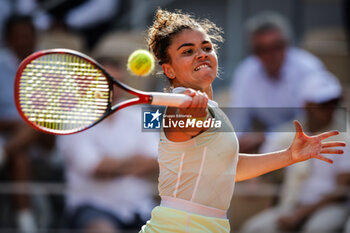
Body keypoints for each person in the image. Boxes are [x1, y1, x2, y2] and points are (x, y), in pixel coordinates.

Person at [139, 9, 345, 233]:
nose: (201, 54)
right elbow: (185, 121)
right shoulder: (180, 108)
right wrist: (193, 113)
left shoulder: (212, 110)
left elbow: (229, 167)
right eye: (188, 51)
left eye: (206, 48)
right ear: (169, 69)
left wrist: (288, 156)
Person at [239, 70, 350, 233]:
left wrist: (299, 214)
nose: (330, 109)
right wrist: (253, 182)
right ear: (307, 105)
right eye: (323, 104)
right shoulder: (292, 131)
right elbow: (265, 156)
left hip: (328, 207)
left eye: (333, 103)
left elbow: (341, 191)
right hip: (292, 204)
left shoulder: (344, 135)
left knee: (316, 230)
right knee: (253, 229)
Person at [57, 58, 159, 233]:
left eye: (116, 82)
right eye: (105, 82)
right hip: (91, 207)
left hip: (141, 207)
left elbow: (157, 161)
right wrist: (136, 162)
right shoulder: (73, 119)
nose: (112, 89)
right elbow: (95, 168)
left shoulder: (143, 114)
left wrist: (113, 166)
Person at [229, 12, 327, 153]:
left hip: (310, 137)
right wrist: (235, 141)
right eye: (262, 50)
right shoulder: (247, 71)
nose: (270, 55)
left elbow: (313, 120)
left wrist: (267, 137)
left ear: (287, 44)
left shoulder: (308, 67)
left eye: (277, 46)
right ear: (253, 51)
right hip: (269, 141)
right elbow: (239, 117)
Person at [0, 14, 55, 233]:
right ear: (8, 39)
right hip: (9, 133)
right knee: (19, 156)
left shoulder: (49, 67)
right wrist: (15, 125)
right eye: (19, 36)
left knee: (36, 123)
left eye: (29, 35)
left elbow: (52, 119)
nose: (25, 40)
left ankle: (2, 154)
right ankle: (26, 223)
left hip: (44, 139)